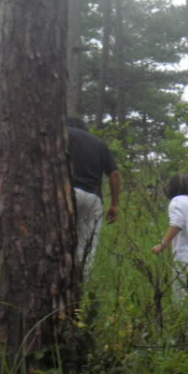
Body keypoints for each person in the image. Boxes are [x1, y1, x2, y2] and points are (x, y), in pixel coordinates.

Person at [67, 117, 120, 279]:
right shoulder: (99, 143)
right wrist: (114, 205)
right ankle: (81, 288)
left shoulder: (64, 134)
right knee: (86, 249)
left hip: (68, 194)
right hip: (93, 199)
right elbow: (114, 174)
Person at [152, 174, 188, 303]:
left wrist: (163, 244)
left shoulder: (177, 201)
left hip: (186, 259)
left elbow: (177, 223)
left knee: (183, 300)